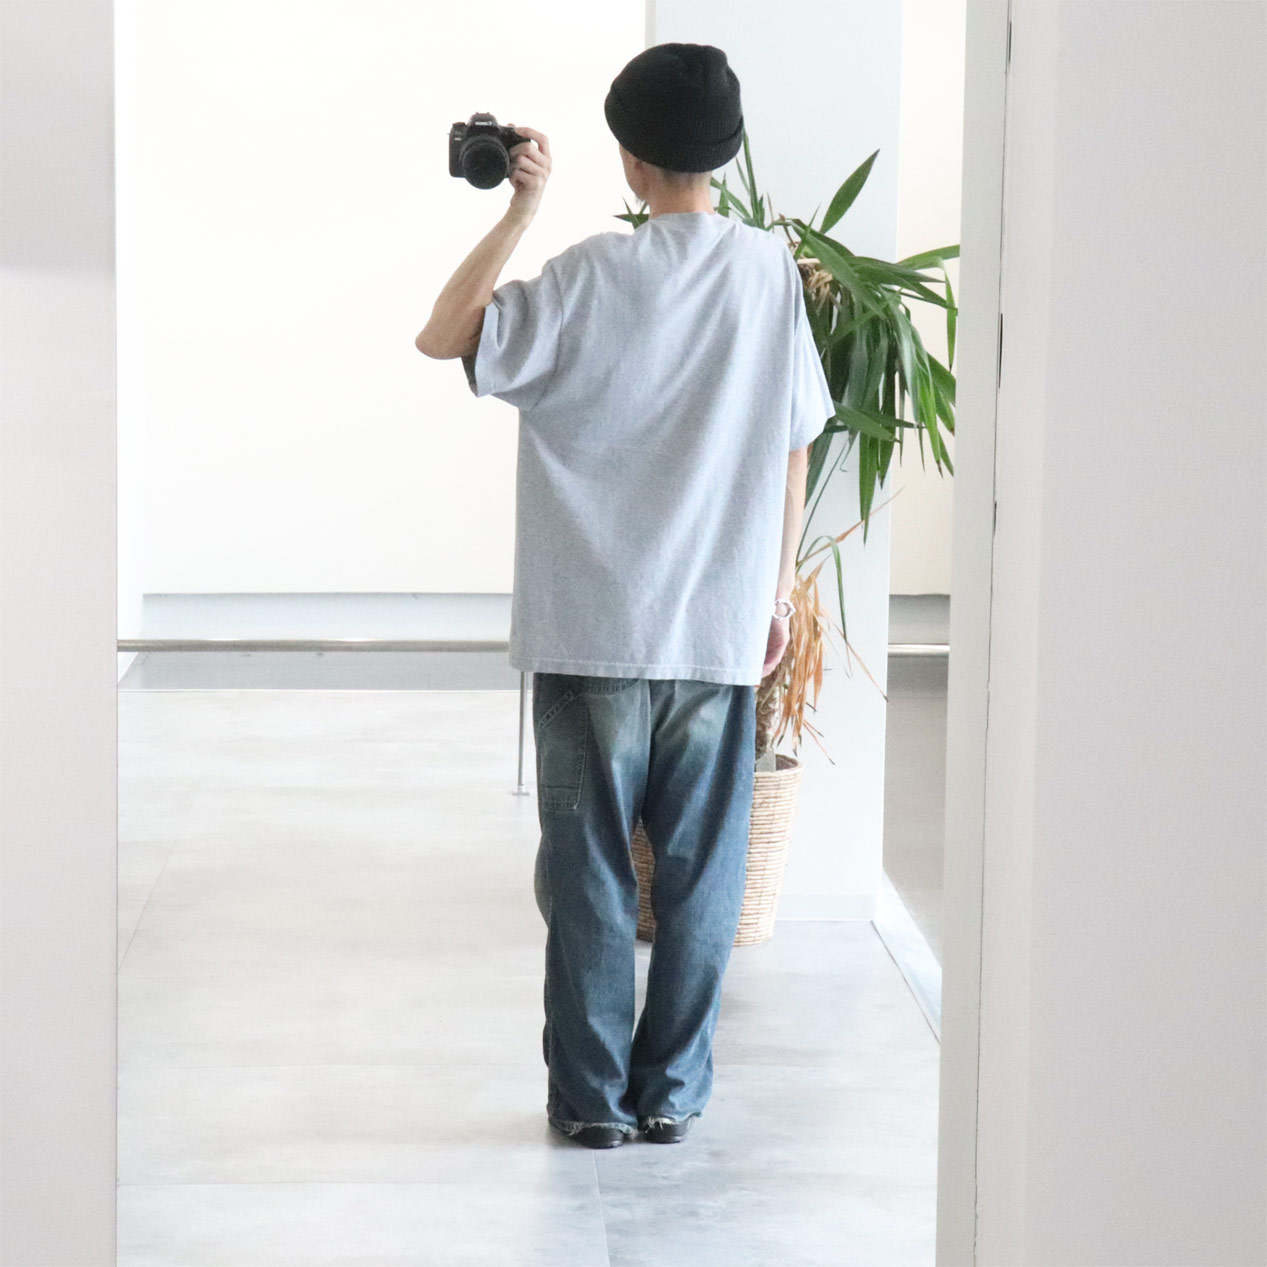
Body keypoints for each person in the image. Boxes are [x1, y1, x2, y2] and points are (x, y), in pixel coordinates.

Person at [414, 42, 835, 1151]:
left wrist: (520, 211)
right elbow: (795, 443)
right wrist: (774, 590)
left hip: (589, 625)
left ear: (628, 158)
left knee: (590, 871)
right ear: (724, 156)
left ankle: (592, 1101)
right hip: (716, 626)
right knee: (701, 880)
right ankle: (671, 1092)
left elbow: (442, 337)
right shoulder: (767, 274)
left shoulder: (586, 276)